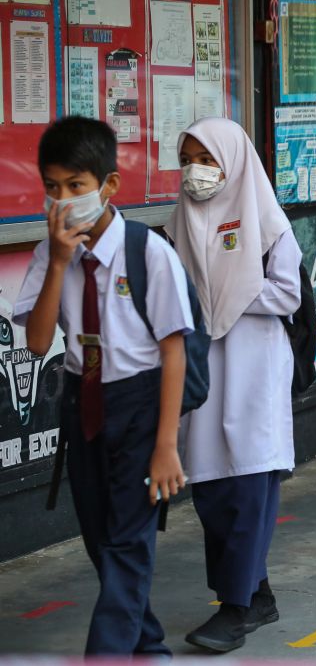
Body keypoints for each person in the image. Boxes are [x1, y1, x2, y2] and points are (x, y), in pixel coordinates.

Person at [15, 117, 191, 655]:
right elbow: (39, 342)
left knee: (127, 545)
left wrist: (166, 445)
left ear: (108, 186)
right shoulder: (53, 253)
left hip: (139, 407)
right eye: (52, 187)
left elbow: (173, 351)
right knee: (100, 541)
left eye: (76, 186)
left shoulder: (148, 253)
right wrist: (58, 263)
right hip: (82, 406)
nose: (63, 200)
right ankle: (150, 648)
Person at [168, 117, 302, 652]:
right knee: (211, 488)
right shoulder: (178, 224)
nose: (195, 172)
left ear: (234, 162)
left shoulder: (268, 223)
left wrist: (232, 296)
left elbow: (288, 294)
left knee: (249, 484)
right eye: (188, 160)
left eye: (207, 159)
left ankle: (234, 609)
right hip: (205, 371)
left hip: (254, 369)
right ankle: (258, 592)